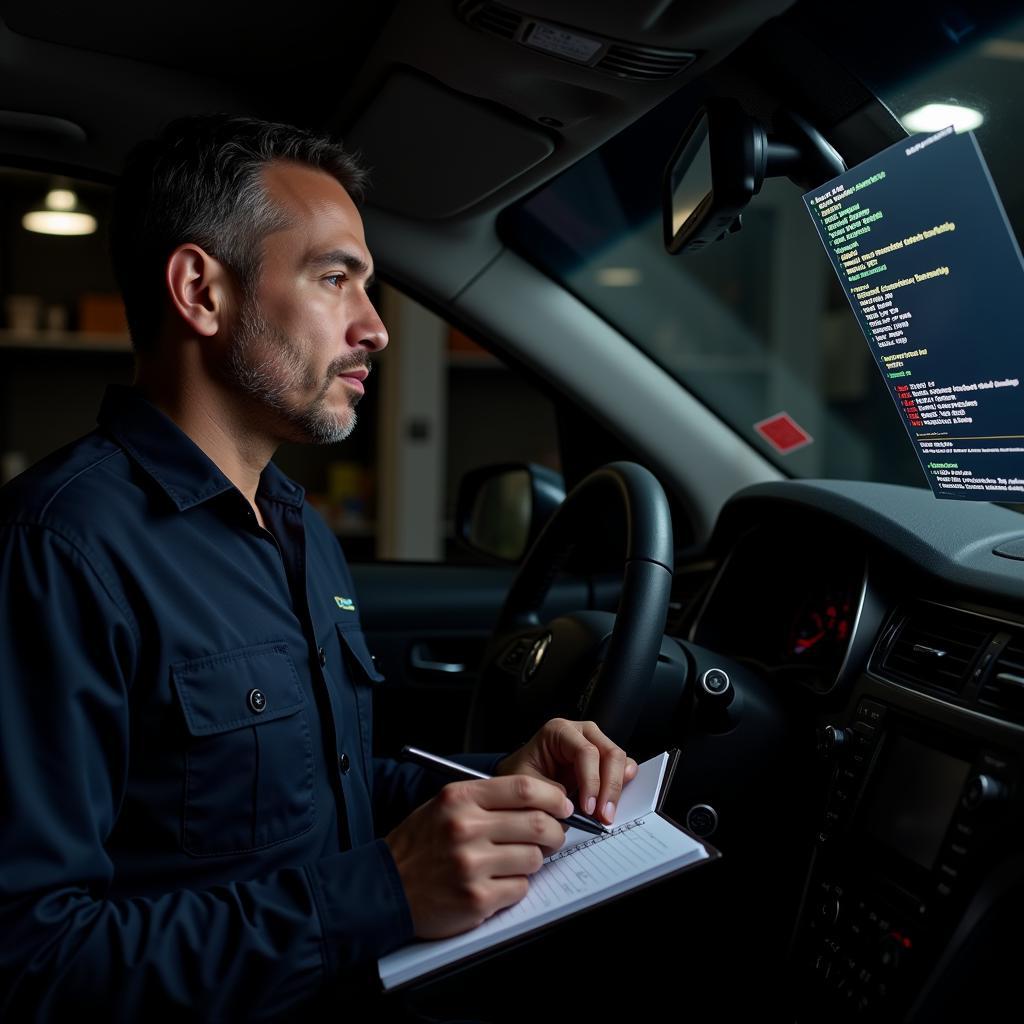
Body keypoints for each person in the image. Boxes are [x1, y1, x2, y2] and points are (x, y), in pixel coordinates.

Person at [0, 114, 637, 1021]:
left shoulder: (296, 526)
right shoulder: (59, 551)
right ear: (201, 291)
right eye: (336, 278)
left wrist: (492, 787)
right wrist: (380, 893)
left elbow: (306, 792)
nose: (376, 329)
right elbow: (30, 960)